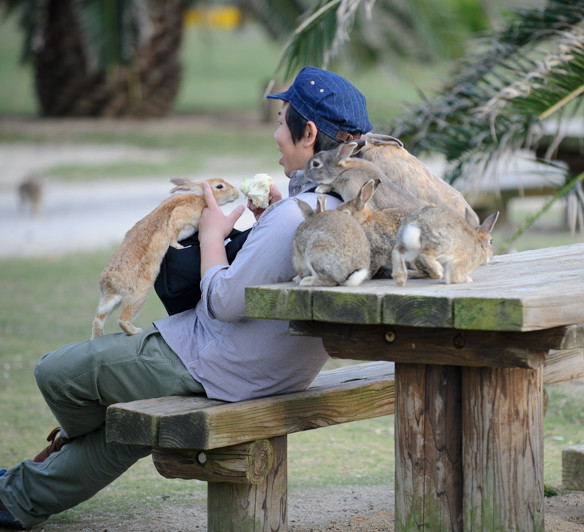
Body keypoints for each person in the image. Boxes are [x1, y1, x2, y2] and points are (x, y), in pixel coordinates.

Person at [0, 66, 372, 529]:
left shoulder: (291, 218)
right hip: (274, 371)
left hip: (213, 364)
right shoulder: (344, 208)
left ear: (309, 133)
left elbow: (222, 302)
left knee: (54, 373)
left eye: (281, 121)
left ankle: (23, 486)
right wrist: (265, 220)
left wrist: (215, 235)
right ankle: (14, 499)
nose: (276, 134)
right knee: (126, 429)